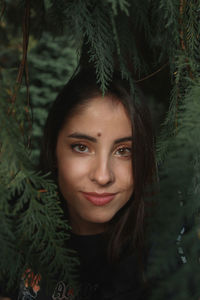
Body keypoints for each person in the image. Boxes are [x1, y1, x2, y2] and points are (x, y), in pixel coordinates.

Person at [17, 67, 156, 300]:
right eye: (81, 147)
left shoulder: (158, 265)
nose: (102, 176)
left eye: (124, 151)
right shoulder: (16, 220)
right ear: (54, 149)